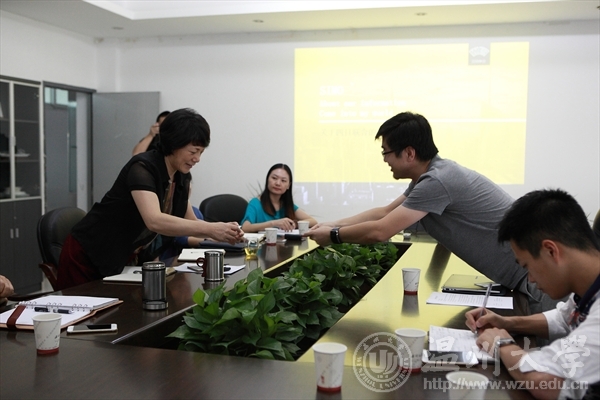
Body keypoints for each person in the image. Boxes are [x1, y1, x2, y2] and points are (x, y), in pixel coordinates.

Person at [306, 111, 556, 314]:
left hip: (538, 280)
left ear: (409, 153)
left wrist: (334, 235)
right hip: (529, 277)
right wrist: (331, 224)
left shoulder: (437, 181)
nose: (384, 160)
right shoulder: (430, 177)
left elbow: (381, 231)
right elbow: (385, 213)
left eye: (386, 152)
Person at [57, 108, 244, 290]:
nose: (197, 159)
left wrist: (225, 231)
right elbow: (154, 220)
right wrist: (212, 229)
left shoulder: (181, 176)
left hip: (121, 256)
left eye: (201, 152)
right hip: (88, 253)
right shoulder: (143, 168)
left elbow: (191, 221)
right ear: (174, 144)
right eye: (193, 151)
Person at [465, 189, 600, 400]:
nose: (531, 279)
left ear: (550, 251)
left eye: (527, 266)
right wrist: (507, 323)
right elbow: (563, 318)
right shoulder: (588, 288)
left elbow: (543, 380)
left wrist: (502, 344)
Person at [241, 163, 317, 233]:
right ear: (267, 180)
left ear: (288, 185)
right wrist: (274, 223)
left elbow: (313, 221)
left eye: (283, 180)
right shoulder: (255, 203)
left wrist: (294, 224)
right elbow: (245, 227)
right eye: (274, 178)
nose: (278, 183)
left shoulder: (286, 205)